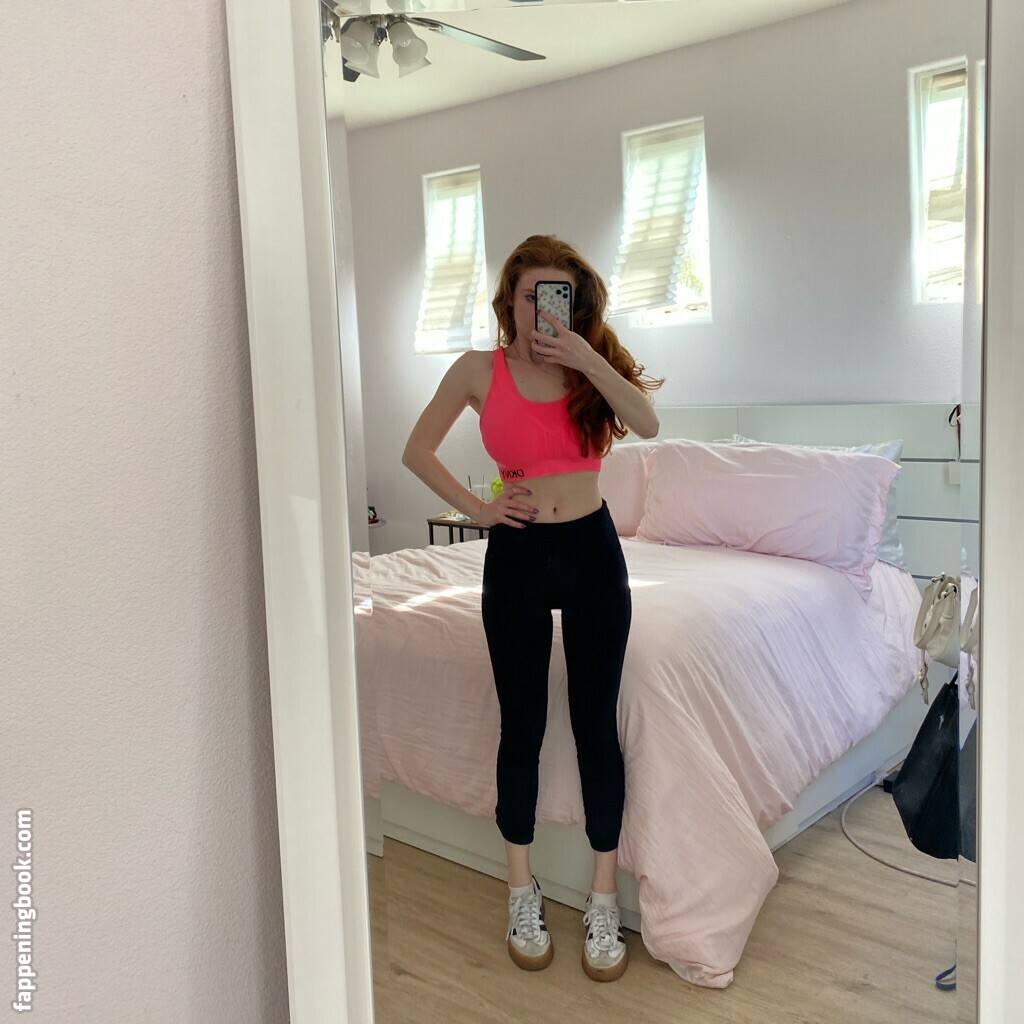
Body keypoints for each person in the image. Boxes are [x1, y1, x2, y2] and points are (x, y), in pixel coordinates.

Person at [402, 234, 663, 982]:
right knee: (521, 726)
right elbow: (417, 450)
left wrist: (586, 358)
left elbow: (647, 425)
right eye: (533, 295)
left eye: (562, 296)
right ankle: (522, 889)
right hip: (516, 552)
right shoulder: (477, 370)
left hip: (591, 551)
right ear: (509, 299)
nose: (547, 309)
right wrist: (479, 508)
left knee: (595, 726)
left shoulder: (590, 365)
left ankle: (603, 898)